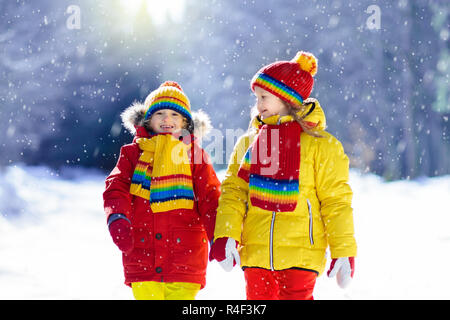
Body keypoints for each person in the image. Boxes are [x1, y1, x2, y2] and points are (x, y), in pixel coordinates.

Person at [209, 51, 357, 300]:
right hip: (256, 252)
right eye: (256, 98)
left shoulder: (321, 145)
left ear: (286, 98)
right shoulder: (250, 142)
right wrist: (227, 234)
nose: (258, 105)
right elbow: (234, 192)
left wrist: (344, 250)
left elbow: (336, 202)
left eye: (264, 97)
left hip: (302, 253)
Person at [103, 81, 221, 300]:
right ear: (148, 119)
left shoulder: (194, 156)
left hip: (186, 257)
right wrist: (117, 217)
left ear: (186, 122)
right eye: (160, 113)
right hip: (142, 253)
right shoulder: (133, 154)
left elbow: (211, 197)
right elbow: (115, 187)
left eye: (175, 115)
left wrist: (220, 235)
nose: (167, 119)